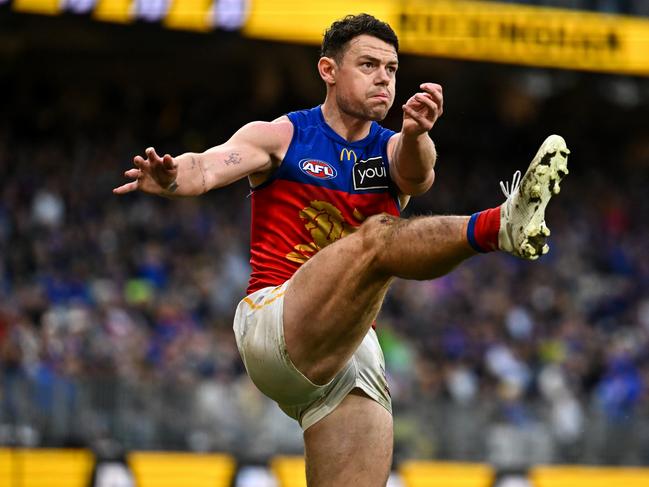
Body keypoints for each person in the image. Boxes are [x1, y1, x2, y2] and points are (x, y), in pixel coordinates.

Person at [114, 13, 569, 487]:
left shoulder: (393, 149)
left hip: (348, 353)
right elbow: (206, 167)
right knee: (377, 236)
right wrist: (171, 177)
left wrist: (416, 133)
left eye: (392, 70)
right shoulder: (283, 136)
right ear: (328, 71)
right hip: (274, 320)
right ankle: (501, 225)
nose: (383, 79)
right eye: (368, 64)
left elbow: (418, 176)